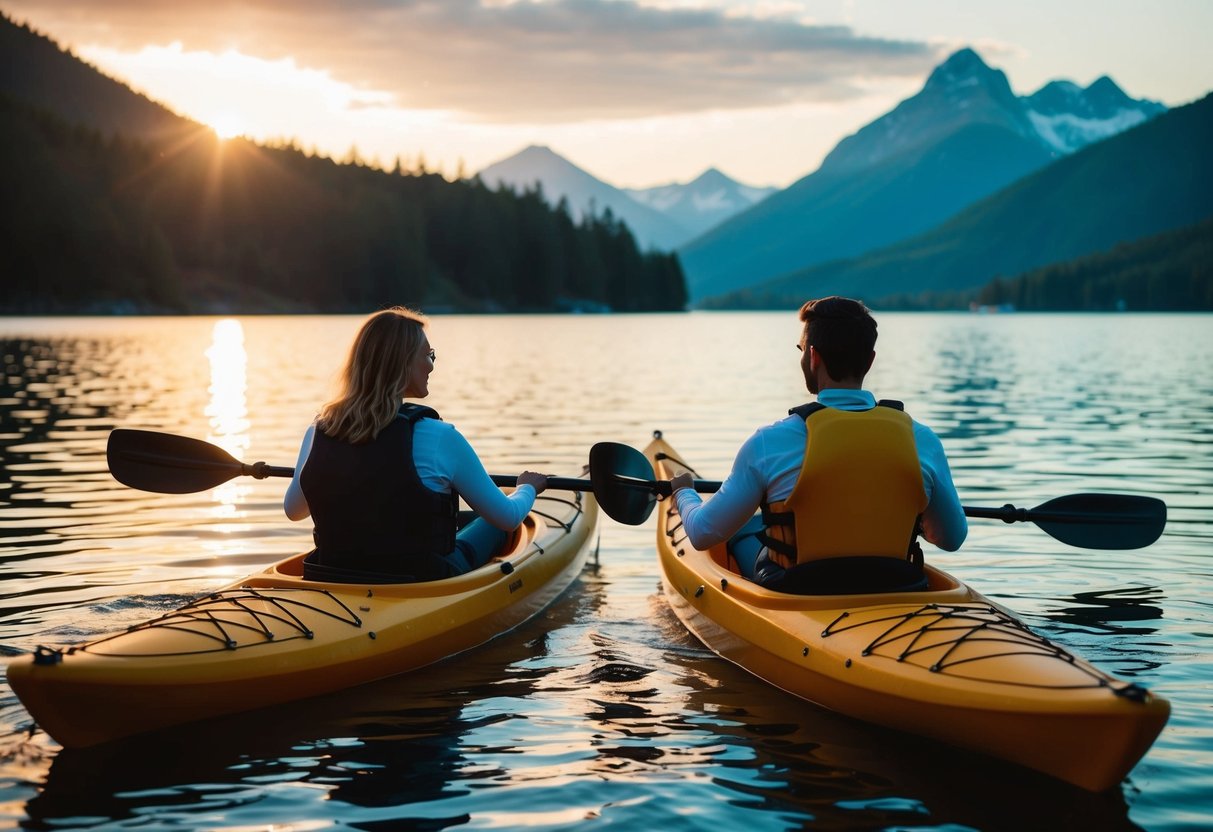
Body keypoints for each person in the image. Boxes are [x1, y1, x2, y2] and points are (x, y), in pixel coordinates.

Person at [669, 296, 967, 593]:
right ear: (870, 360)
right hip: (899, 585)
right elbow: (951, 538)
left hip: (800, 591)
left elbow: (702, 533)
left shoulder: (769, 442)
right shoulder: (922, 440)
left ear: (813, 356)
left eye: (801, 350)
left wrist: (683, 492)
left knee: (745, 531)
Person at [284, 306, 548, 583]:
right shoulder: (438, 436)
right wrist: (528, 487)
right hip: (421, 581)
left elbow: (294, 511)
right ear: (402, 363)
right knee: (495, 526)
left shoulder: (320, 429)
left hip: (334, 572)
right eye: (427, 355)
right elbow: (508, 517)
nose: (432, 365)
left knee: (466, 519)